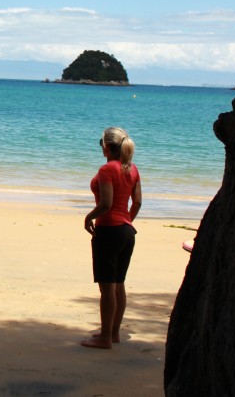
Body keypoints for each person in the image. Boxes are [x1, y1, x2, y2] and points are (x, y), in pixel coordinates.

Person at [81, 126, 142, 349]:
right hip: (127, 231)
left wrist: (89, 217)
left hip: (109, 231)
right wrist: (127, 221)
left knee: (107, 288)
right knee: (118, 284)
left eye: (101, 144)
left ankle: (105, 338)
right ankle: (114, 333)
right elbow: (137, 203)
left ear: (107, 146)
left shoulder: (107, 170)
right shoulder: (133, 169)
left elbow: (105, 204)